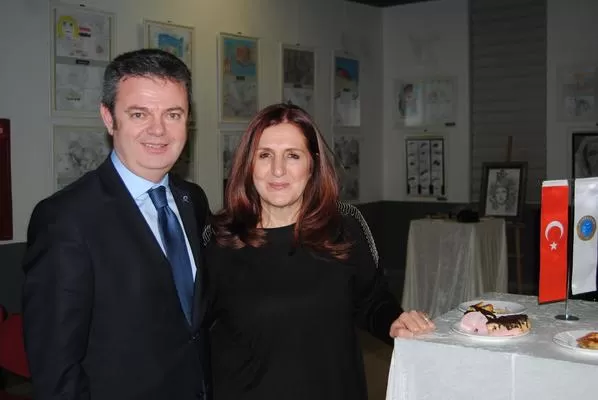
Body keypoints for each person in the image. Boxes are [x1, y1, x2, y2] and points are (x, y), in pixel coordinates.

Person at [203, 103, 435, 400]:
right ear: (248, 165)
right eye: (264, 155)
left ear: (312, 164)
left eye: (292, 155)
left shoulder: (345, 226)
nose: (277, 170)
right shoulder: (219, 239)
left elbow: (372, 300)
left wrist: (394, 320)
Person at [22, 49, 211, 400]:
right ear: (109, 119)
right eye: (139, 114)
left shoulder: (192, 201)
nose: (158, 130)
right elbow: (56, 371)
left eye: (173, 114)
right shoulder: (65, 220)